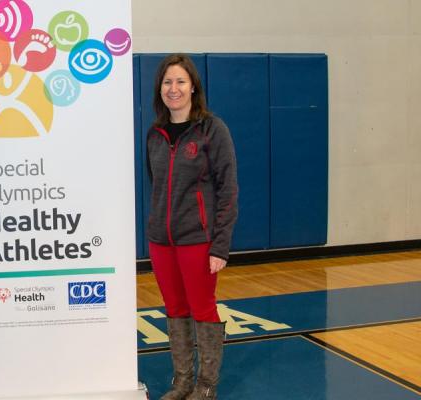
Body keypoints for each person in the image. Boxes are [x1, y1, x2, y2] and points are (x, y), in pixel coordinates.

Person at [146, 54, 238, 400]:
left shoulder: (213, 130)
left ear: (193, 86)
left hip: (198, 241)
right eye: (168, 82)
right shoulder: (154, 134)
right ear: (161, 89)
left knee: (202, 309)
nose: (174, 89)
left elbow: (228, 190)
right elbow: (156, 184)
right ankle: (183, 381)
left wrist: (220, 245)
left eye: (181, 81)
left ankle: (206, 385)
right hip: (161, 241)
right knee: (174, 310)